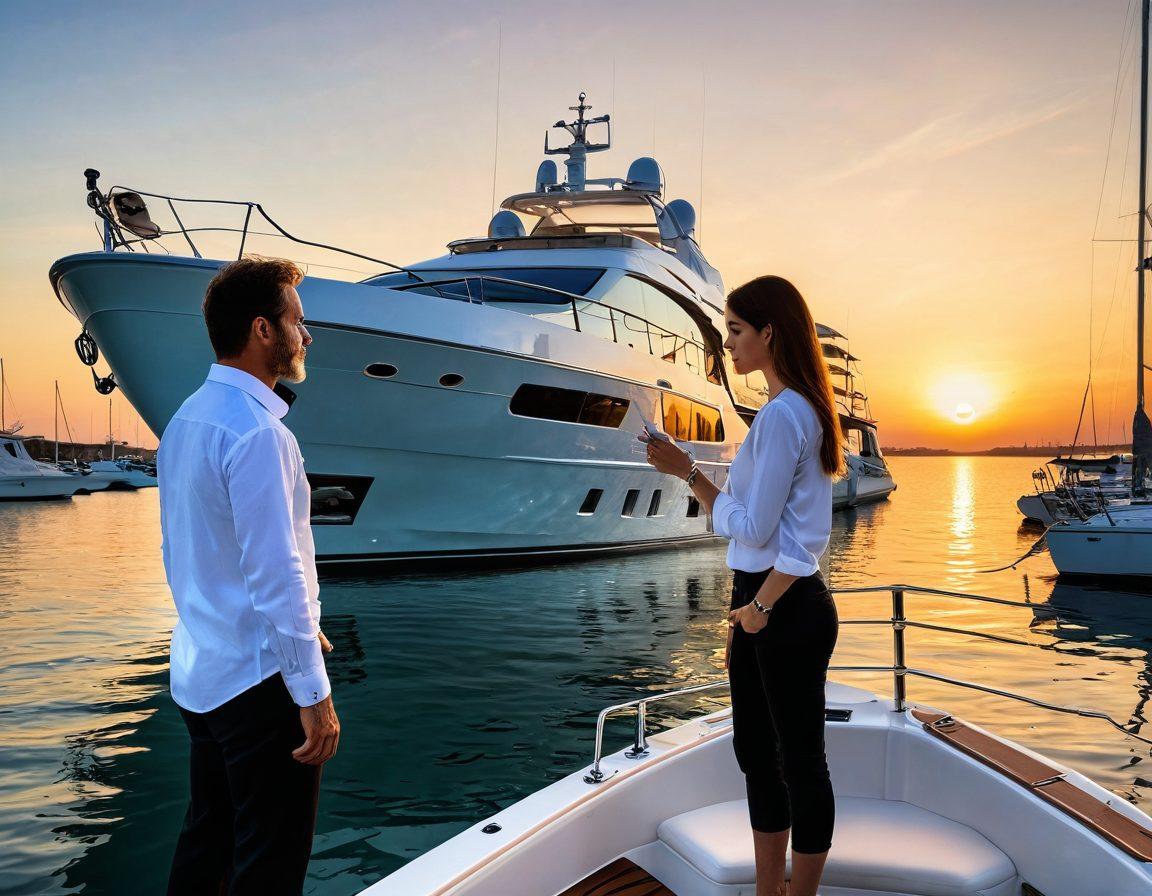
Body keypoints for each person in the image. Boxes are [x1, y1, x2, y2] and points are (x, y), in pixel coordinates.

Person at [645, 275, 843, 896]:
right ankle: (770, 891)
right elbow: (766, 526)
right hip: (763, 600)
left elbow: (763, 529)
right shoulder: (793, 410)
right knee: (761, 757)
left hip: (777, 602)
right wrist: (690, 474)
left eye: (734, 330)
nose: (727, 344)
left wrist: (757, 607)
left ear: (769, 333)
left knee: (794, 762)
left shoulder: (785, 415)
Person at [158, 256, 340, 896]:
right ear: (264, 330)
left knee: (207, 844)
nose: (306, 336)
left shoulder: (185, 420)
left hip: (202, 676)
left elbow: (181, 552)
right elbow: (278, 575)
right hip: (260, 684)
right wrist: (312, 694)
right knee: (270, 861)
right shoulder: (259, 433)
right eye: (297, 320)